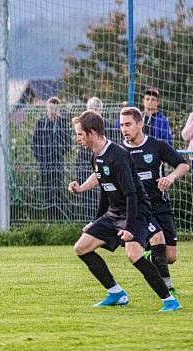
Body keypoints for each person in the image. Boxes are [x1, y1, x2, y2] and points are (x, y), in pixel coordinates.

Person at [67, 110, 180, 312]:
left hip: (136, 211)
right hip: (115, 212)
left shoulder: (117, 156)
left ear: (92, 132)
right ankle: (116, 293)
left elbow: (132, 195)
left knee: (133, 254)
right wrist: (96, 221)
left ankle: (170, 300)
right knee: (81, 247)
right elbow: (105, 190)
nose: (78, 139)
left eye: (80, 134)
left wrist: (129, 228)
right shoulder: (96, 156)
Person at [31, 96, 72, 219]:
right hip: (44, 164)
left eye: (55, 108)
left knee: (58, 191)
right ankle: (50, 218)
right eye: (50, 108)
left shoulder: (62, 122)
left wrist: (59, 153)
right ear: (47, 108)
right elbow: (34, 143)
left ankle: (60, 219)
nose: (52, 111)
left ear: (59, 108)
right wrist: (41, 157)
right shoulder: (41, 123)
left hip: (57, 163)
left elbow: (68, 143)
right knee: (47, 191)